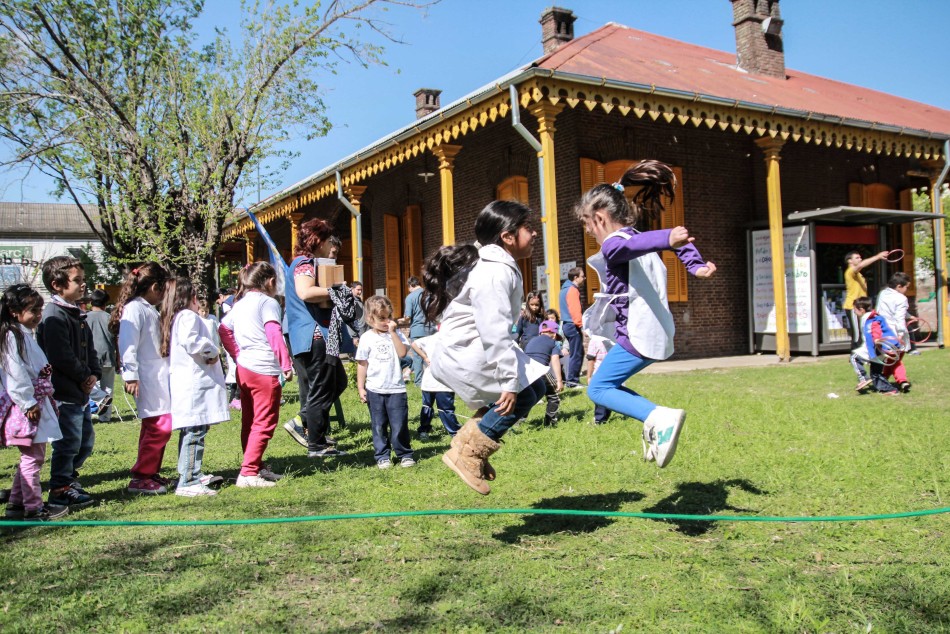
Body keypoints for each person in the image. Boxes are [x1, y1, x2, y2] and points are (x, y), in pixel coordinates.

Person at [576, 159, 716, 468]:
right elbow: (671, 241)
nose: (589, 233)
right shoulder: (636, 240)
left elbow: (663, 240)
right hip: (657, 332)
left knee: (598, 388)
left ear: (599, 218)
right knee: (607, 385)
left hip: (637, 334)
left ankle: (657, 418)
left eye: (587, 226)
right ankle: (655, 420)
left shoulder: (616, 244)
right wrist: (696, 265)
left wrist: (669, 240)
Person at [421, 202, 550, 495]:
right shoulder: (494, 272)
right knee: (519, 395)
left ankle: (469, 442)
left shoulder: (497, 265)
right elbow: (495, 332)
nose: (534, 234)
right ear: (507, 236)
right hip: (468, 353)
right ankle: (469, 453)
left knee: (536, 388)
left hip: (473, 349)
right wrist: (508, 381)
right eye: (528, 229)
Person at [219, 263, 293, 487]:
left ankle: (254, 465)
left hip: (245, 369)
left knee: (249, 421)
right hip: (263, 369)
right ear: (270, 282)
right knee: (264, 422)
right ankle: (249, 473)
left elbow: (223, 328)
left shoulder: (239, 304)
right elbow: (273, 332)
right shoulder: (268, 302)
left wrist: (236, 353)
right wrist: (286, 364)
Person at [284, 218, 352, 458]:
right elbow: (305, 292)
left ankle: (306, 424)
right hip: (314, 335)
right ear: (318, 241)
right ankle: (317, 446)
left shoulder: (310, 263)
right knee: (321, 390)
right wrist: (339, 290)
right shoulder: (304, 263)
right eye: (326, 240)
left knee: (337, 382)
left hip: (324, 334)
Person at [37, 255, 101, 510]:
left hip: (80, 392)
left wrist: (93, 373)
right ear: (57, 284)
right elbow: (60, 355)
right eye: (77, 280)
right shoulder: (53, 315)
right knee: (68, 443)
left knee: (84, 441)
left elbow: (90, 349)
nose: (83, 285)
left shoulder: (77, 313)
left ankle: (69, 479)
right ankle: (60, 488)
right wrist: (83, 376)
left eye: (83, 279)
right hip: (64, 391)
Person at [1, 284, 68, 521]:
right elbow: (15, 373)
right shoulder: (11, 336)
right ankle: (34, 508)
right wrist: (28, 403)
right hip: (28, 407)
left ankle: (16, 504)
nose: (39, 316)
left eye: (40, 310)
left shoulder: (21, 333)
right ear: (13, 311)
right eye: (33, 310)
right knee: (32, 458)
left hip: (35, 403)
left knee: (31, 457)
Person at [161, 278, 228, 497]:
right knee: (194, 432)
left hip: (191, 384)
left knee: (194, 430)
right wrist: (212, 351)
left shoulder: (177, 317)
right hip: (194, 385)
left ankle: (191, 474)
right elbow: (192, 341)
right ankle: (188, 480)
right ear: (190, 297)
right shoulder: (188, 316)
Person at [111, 262, 174, 494]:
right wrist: (131, 375)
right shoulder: (135, 309)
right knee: (160, 427)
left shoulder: (147, 308)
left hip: (157, 377)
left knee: (154, 426)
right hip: (146, 378)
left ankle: (151, 472)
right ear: (155, 287)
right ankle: (141, 476)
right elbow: (127, 344)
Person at [355, 295, 415, 469]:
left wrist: (393, 333)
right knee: (379, 424)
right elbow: (362, 364)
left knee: (399, 424)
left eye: (388, 316)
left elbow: (403, 353)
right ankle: (382, 455)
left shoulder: (395, 334)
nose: (386, 321)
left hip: (396, 388)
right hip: (375, 389)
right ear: (369, 318)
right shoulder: (366, 338)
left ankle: (404, 453)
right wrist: (361, 387)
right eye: (381, 318)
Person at [410, 335, 461, 438]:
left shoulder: (434, 338)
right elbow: (414, 344)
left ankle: (426, 430)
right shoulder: (450, 337)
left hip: (440, 380)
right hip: (437, 380)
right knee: (442, 408)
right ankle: (455, 433)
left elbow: (414, 344)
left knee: (432, 407)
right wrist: (425, 357)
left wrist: (425, 357)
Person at [853, 296, 901, 396]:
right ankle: (889, 390)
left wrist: (877, 339)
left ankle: (863, 379)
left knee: (854, 358)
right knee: (876, 373)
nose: (854, 312)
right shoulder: (875, 316)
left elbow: (875, 330)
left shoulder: (869, 319)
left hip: (877, 348)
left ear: (861, 310)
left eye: (855, 310)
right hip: (880, 348)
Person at [875, 271, 913, 392]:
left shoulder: (883, 293)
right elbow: (899, 318)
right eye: (907, 287)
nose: (907, 289)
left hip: (883, 330)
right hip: (895, 333)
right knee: (895, 359)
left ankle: (884, 377)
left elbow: (884, 310)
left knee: (892, 359)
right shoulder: (902, 299)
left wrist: (910, 316)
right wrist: (901, 335)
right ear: (899, 287)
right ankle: (902, 380)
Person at [843, 250, 888, 347]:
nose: (860, 259)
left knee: (864, 331)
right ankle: (855, 356)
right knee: (857, 334)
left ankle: (864, 354)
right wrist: (878, 256)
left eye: (860, 257)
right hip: (853, 307)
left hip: (862, 306)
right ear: (849, 261)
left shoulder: (858, 274)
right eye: (857, 258)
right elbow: (860, 266)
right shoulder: (850, 271)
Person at [523, 319, 564, 426]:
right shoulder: (554, 343)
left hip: (525, 370)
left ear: (541, 332)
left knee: (528, 397)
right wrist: (559, 380)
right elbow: (555, 360)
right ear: (554, 334)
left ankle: (518, 421)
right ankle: (550, 423)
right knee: (554, 397)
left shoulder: (532, 341)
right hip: (541, 370)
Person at [398, 276, 435, 386]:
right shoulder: (430, 294)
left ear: (410, 285)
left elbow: (408, 317)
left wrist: (401, 320)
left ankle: (418, 382)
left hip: (417, 330)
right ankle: (435, 378)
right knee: (431, 354)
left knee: (418, 357)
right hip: (430, 328)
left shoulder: (410, 297)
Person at [86, 289, 116, 422]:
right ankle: (106, 416)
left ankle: (95, 407)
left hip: (91, 357)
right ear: (105, 303)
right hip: (109, 355)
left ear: (91, 302)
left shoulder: (85, 318)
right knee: (108, 386)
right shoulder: (109, 317)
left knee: (93, 385)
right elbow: (116, 338)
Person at [558, 266, 586, 387]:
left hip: (566, 324)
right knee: (577, 353)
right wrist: (581, 326)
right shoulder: (572, 290)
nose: (584, 278)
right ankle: (572, 382)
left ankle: (572, 380)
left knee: (576, 352)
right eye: (582, 276)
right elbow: (575, 310)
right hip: (572, 325)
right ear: (575, 278)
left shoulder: (564, 289)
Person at [586, 333, 614, 424]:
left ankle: (599, 419)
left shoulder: (594, 341)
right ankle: (605, 417)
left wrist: (589, 376)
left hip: (599, 373)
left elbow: (591, 359)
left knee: (599, 396)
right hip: (612, 372)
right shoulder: (612, 338)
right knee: (609, 395)